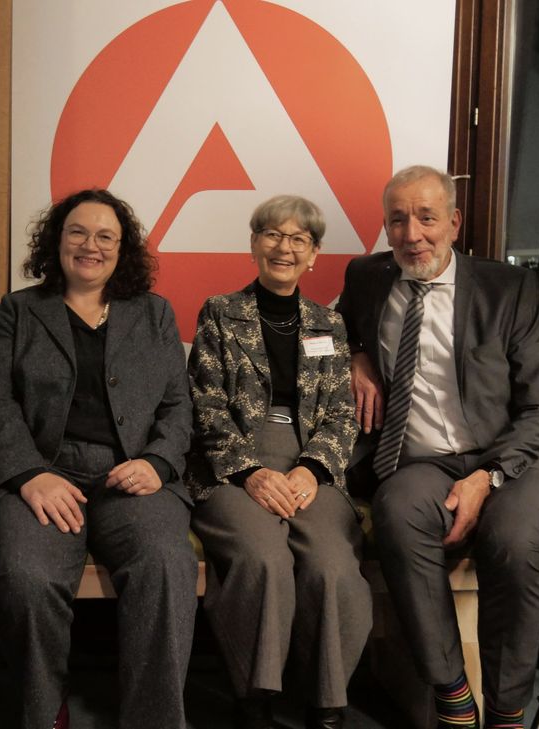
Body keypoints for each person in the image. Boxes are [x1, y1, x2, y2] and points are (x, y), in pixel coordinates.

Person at [336, 165, 539, 729]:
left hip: (515, 458)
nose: (411, 234)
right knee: (395, 512)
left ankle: (509, 709)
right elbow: (329, 324)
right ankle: (452, 695)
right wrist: (356, 353)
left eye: (426, 217)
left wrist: (487, 478)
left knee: (514, 540)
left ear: (454, 222)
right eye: (398, 220)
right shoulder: (366, 276)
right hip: (422, 460)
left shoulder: (507, 288)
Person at [0, 188, 197, 729]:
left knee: (167, 566)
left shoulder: (154, 314)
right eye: (77, 232)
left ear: (123, 250)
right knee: (27, 577)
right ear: (57, 241)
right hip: (42, 472)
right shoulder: (19, 310)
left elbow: (178, 405)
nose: (90, 246)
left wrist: (159, 463)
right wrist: (29, 475)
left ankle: (153, 719)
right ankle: (44, 710)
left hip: (133, 474)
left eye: (106, 236)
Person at [186, 195, 371, 729]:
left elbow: (341, 414)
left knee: (333, 563)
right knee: (263, 557)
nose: (283, 247)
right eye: (272, 234)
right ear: (253, 244)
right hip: (235, 464)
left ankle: (327, 700)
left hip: (311, 465)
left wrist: (311, 470)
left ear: (314, 254)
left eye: (298, 239)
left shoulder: (327, 324)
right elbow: (206, 404)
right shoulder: (221, 312)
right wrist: (251, 472)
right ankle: (256, 694)